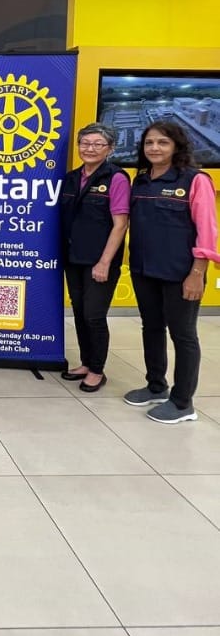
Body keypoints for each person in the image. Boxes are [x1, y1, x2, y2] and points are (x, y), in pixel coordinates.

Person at [123, 120, 219, 423]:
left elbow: (207, 230)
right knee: (151, 327)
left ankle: (182, 403)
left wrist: (197, 273)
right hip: (144, 269)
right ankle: (156, 386)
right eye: (149, 142)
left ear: (177, 146)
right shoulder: (141, 180)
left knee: (183, 335)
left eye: (162, 142)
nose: (154, 148)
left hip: (181, 273)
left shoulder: (195, 180)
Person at [59, 123, 130, 392]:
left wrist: (104, 262)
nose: (90, 148)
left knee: (94, 315)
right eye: (85, 143)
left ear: (110, 148)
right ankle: (86, 362)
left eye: (98, 144)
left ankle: (97, 370)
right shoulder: (71, 178)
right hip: (73, 257)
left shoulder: (117, 178)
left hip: (100, 261)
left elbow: (120, 224)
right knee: (79, 312)